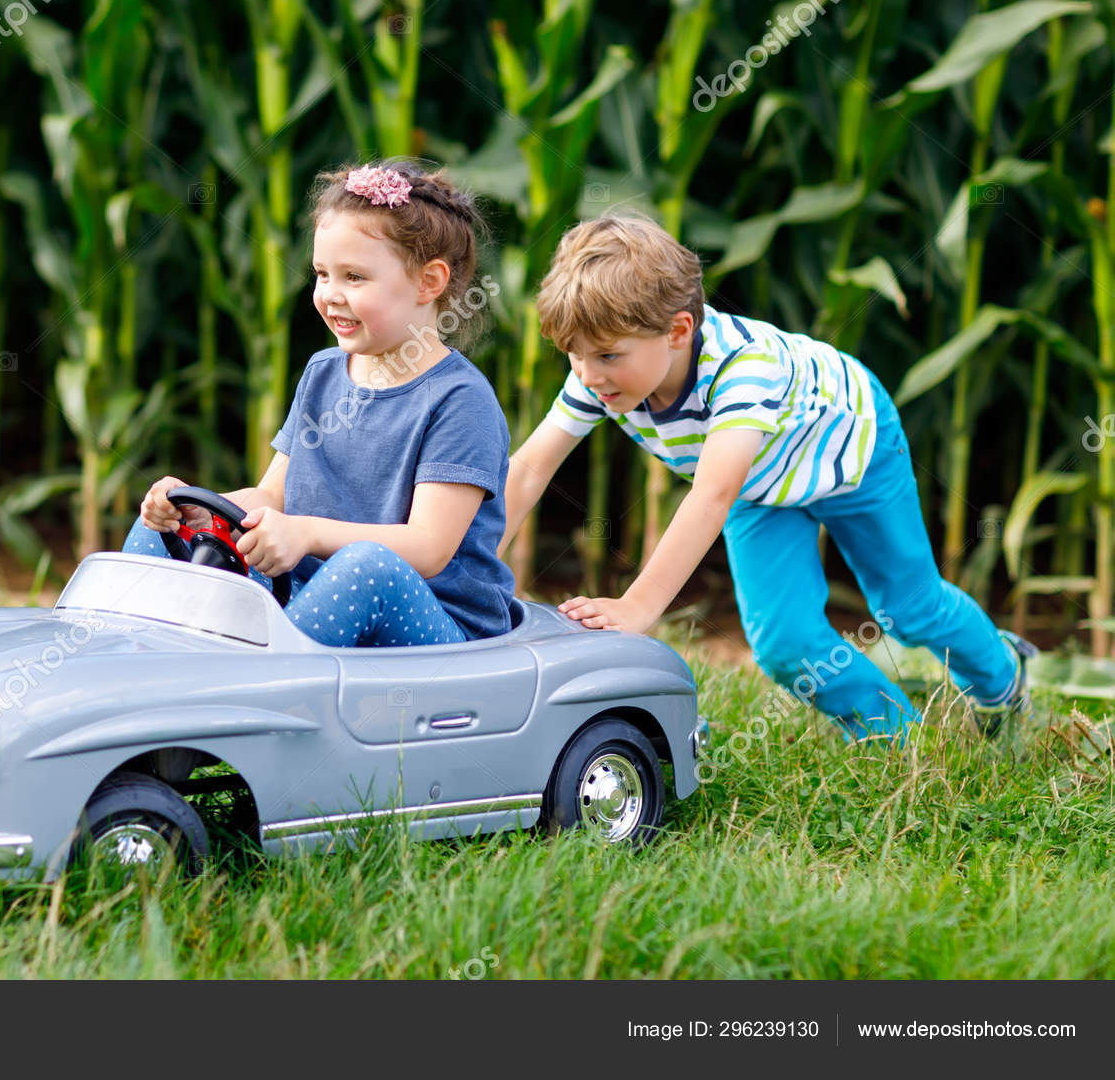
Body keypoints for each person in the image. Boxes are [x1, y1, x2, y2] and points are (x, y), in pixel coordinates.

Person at [499, 211, 1034, 741]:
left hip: (852, 454)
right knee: (784, 645)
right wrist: (467, 564)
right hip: (762, 485)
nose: (589, 376)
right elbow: (528, 469)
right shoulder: (598, 380)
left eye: (608, 355)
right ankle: (896, 738)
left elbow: (713, 494)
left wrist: (639, 604)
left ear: (679, 330)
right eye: (574, 356)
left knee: (910, 608)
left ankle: (1003, 680)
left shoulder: (744, 370)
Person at [122, 159, 516, 647]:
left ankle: (269, 698)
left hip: (437, 627)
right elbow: (273, 496)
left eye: (354, 277)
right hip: (311, 596)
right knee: (155, 537)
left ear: (428, 282)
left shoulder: (460, 400)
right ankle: (136, 676)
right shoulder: (324, 372)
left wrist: (305, 534)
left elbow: (428, 548)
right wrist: (201, 512)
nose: (330, 295)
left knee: (366, 565)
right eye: (322, 274)